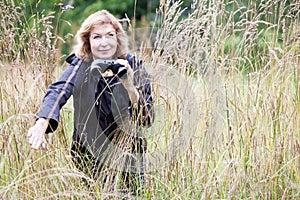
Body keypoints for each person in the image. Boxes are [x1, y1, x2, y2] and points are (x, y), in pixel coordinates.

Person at [27, 10, 154, 194]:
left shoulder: (133, 65)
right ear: (88, 41)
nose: (104, 43)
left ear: (118, 38)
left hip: (128, 154)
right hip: (89, 154)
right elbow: (59, 89)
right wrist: (42, 123)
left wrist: (129, 86)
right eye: (97, 37)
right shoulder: (80, 65)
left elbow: (147, 118)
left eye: (110, 35)